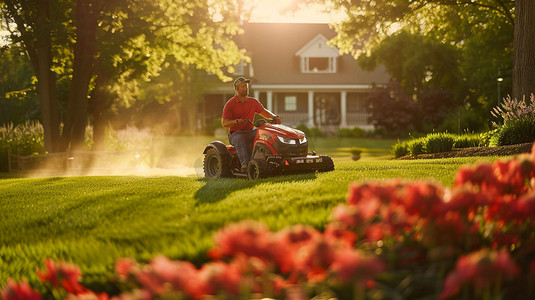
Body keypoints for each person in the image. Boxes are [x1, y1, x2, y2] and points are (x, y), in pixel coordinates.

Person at [221, 77, 280, 172]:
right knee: (241, 139)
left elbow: (264, 112)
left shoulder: (253, 102)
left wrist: (274, 117)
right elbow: (224, 123)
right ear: (237, 89)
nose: (246, 88)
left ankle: (271, 160)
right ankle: (246, 165)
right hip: (235, 134)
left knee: (265, 134)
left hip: (250, 132)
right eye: (243, 86)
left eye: (247, 86)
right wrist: (236, 121)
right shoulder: (230, 104)